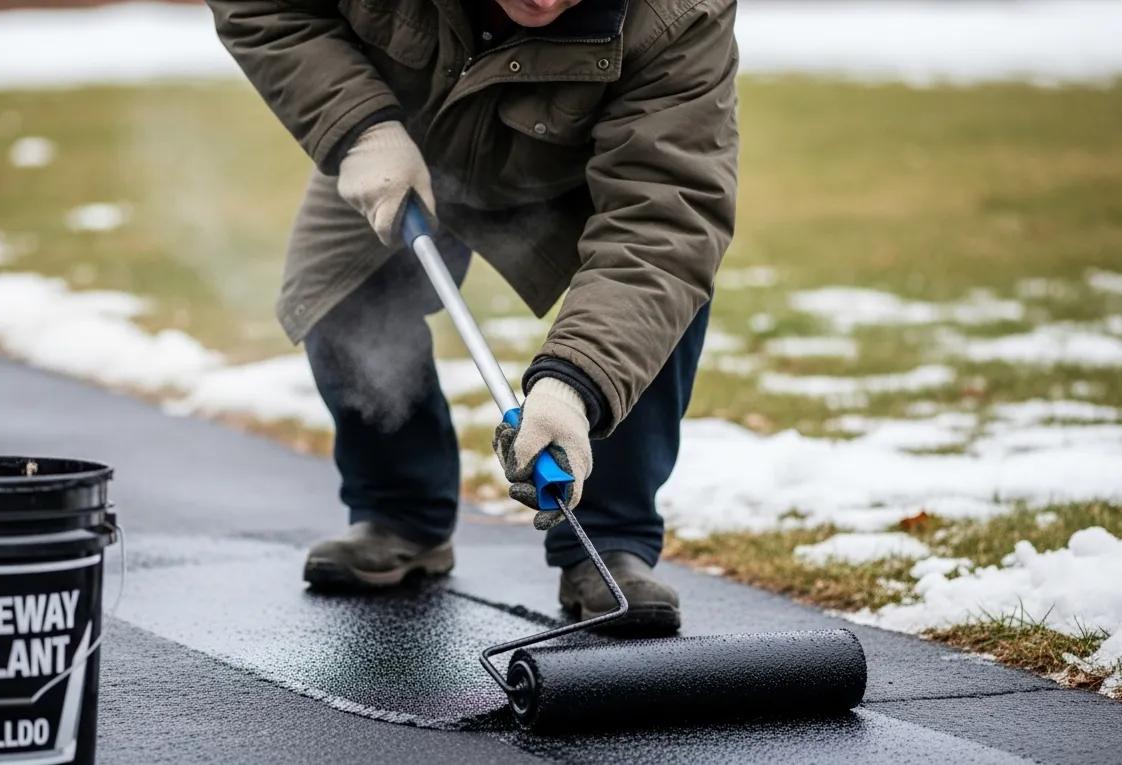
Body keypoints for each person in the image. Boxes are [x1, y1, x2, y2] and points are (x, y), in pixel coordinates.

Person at [206, 0, 738, 633]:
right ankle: (400, 514)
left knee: (653, 304)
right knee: (337, 296)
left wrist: (573, 389)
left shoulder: (682, 12)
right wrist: (358, 128)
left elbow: (660, 228)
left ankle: (608, 543)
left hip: (578, 167)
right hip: (397, 130)